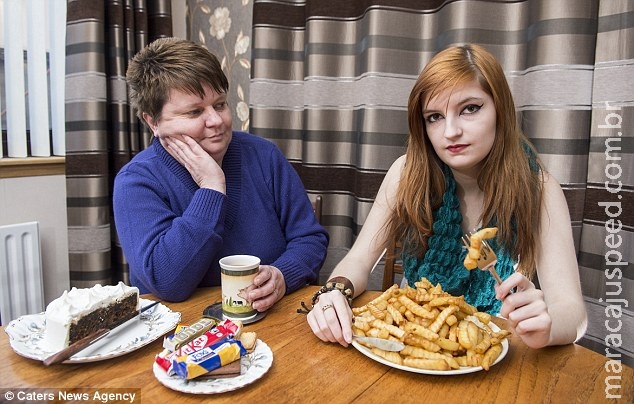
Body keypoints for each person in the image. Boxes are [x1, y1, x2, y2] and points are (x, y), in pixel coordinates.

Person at [306, 44, 587, 350]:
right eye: (434, 117)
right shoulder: (406, 174)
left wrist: (547, 324)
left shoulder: (539, 188)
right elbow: (359, 260)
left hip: (493, 360)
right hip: (410, 347)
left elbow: (573, 314)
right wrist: (334, 292)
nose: (450, 131)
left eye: (470, 108)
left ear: (500, 110)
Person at [114, 37, 328, 306]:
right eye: (194, 112)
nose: (216, 121)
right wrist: (211, 187)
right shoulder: (136, 181)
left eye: (219, 104)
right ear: (153, 121)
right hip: (179, 335)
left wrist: (283, 275)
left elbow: (309, 238)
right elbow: (167, 282)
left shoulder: (264, 156)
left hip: (269, 320)